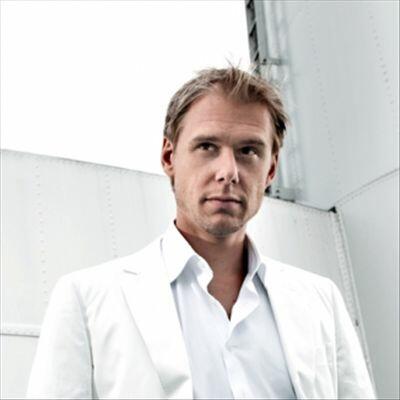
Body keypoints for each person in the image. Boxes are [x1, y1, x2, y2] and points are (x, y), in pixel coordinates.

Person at [26, 67, 375, 399]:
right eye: (207, 146)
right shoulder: (87, 299)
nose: (228, 172)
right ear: (169, 157)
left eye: (248, 151)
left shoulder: (321, 300)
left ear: (270, 169)